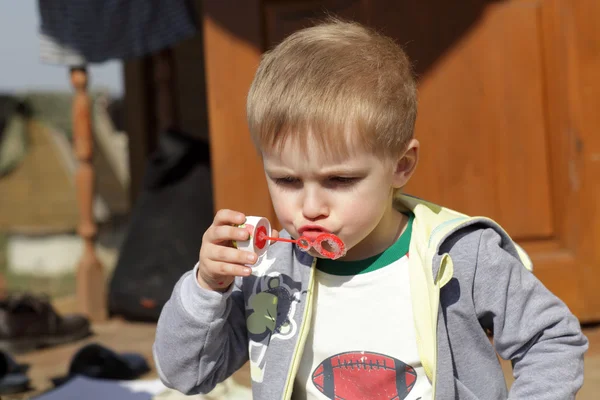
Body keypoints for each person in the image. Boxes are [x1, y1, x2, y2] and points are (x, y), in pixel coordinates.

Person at [153, 19, 588, 399]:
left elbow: (551, 338)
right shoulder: (268, 268)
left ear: (401, 166)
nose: (309, 207)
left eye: (339, 181)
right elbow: (186, 373)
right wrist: (206, 288)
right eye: (286, 180)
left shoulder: (460, 257)